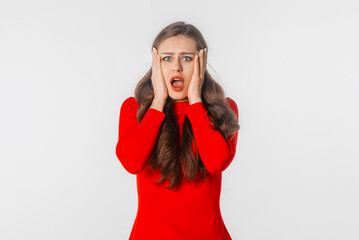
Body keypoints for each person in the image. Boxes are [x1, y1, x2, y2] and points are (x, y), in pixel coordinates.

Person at [115, 21, 240, 240]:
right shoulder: (134, 109)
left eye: (187, 58)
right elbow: (132, 162)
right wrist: (158, 102)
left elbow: (216, 162)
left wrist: (195, 102)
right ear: (155, 64)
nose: (176, 67)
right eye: (167, 58)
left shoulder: (224, 109)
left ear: (202, 63)